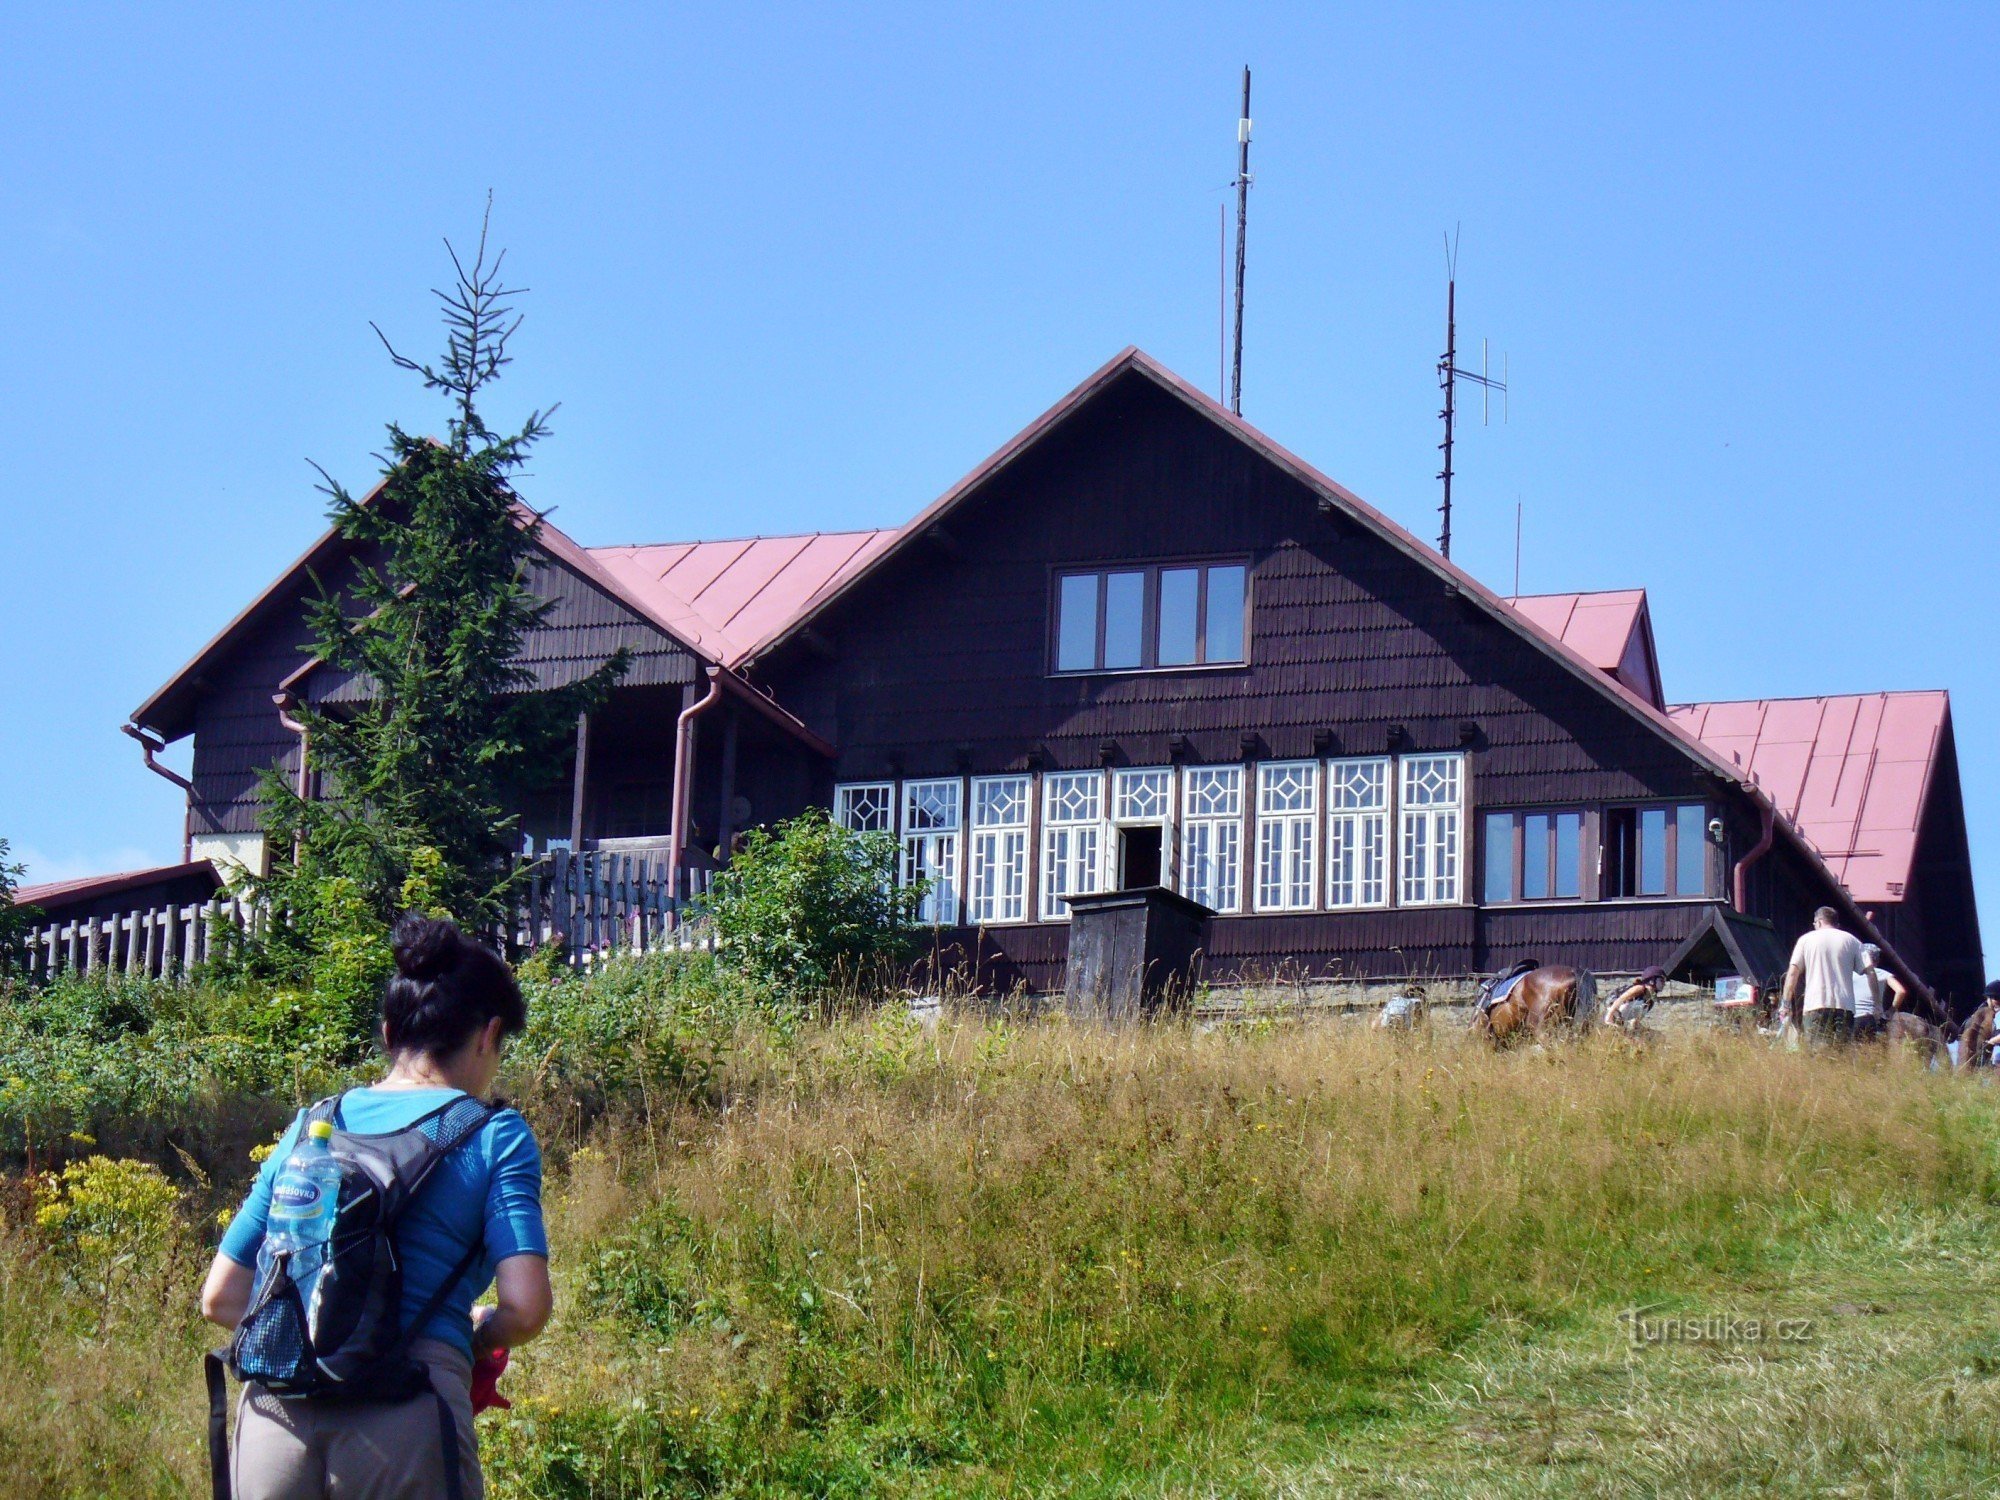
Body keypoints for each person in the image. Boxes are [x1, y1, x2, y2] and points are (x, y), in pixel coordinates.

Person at [199, 916, 553, 1499]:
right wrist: (473, 1331)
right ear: (488, 1035)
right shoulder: (496, 1134)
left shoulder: (314, 1124)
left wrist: (323, 1339)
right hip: (407, 1407)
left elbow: (222, 1298)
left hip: (272, 1416)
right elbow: (526, 1307)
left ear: (390, 1033)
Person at [1782, 906, 1869, 1046]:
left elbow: (1792, 973)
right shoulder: (1852, 940)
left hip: (1816, 1005)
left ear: (1819, 922)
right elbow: (1870, 972)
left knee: (1817, 1056)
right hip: (1845, 1006)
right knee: (1842, 1055)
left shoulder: (1806, 940)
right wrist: (1876, 1005)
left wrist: (1785, 1004)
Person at [1849, 944, 1905, 1040]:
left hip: (1853, 1016)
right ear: (1877, 959)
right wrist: (1891, 1011)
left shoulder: (1852, 973)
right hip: (1874, 1017)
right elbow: (1901, 991)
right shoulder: (1884, 974)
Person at [1602, 965, 1667, 1030]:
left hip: (1620, 1021)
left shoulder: (1651, 1001)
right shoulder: (1640, 988)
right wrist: (1609, 1017)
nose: (1664, 984)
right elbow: (1620, 999)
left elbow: (1635, 1023)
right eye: (1661, 981)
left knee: (1657, 1036)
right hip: (1610, 1013)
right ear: (1652, 980)